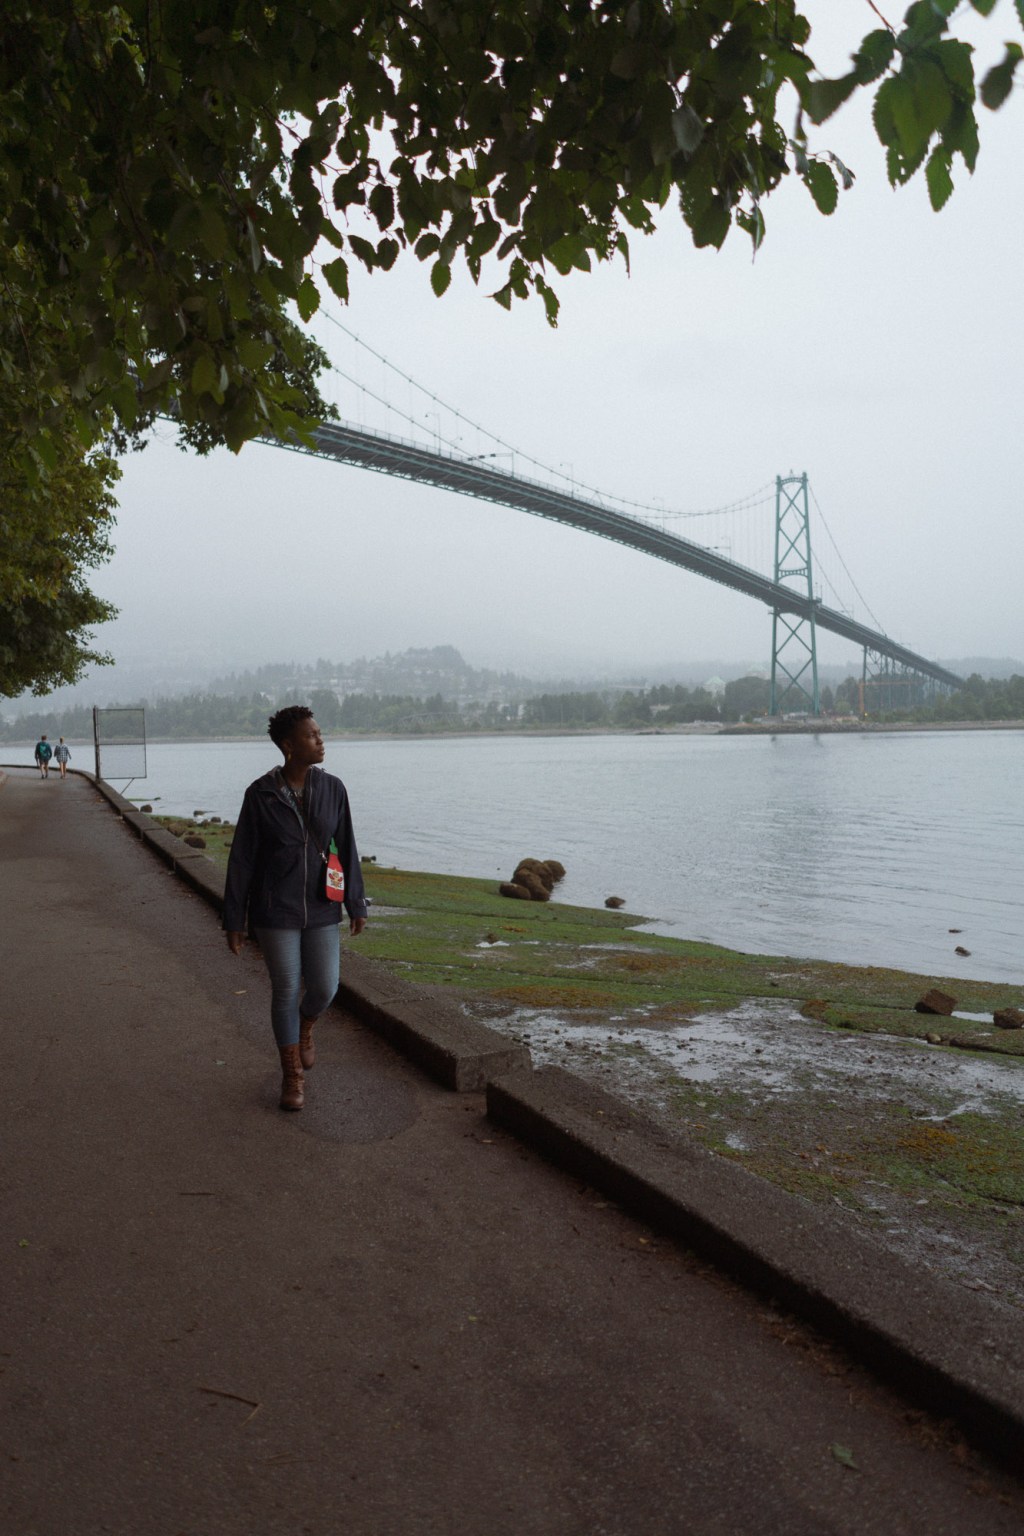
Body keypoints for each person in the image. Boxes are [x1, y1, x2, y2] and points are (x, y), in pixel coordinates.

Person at [223, 706, 367, 1110]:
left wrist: (356, 901)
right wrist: (234, 918)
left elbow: (348, 849)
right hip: (275, 910)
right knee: (286, 988)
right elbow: (242, 859)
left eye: (319, 733)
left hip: (322, 906)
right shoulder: (261, 794)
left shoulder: (334, 789)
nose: (321, 740)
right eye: (312, 735)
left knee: (325, 986)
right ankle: (292, 1075)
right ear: (289, 745)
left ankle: (306, 1025)